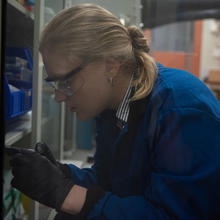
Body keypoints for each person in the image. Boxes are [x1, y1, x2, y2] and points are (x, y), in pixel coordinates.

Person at [9, 4, 220, 220]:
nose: (58, 97)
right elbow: (108, 180)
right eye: (54, 84)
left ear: (111, 66)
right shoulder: (113, 108)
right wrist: (60, 175)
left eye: (67, 81)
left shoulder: (180, 108)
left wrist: (66, 194)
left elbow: (175, 214)